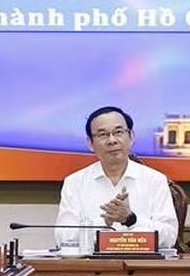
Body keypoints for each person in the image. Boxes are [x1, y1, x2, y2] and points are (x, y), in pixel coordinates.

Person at [55, 106, 178, 249]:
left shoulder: (155, 180)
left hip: (140, 262)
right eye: (103, 134)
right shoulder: (75, 183)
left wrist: (131, 220)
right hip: (92, 262)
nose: (112, 140)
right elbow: (63, 237)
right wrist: (103, 223)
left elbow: (169, 237)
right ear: (90, 143)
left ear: (131, 137)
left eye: (118, 132)